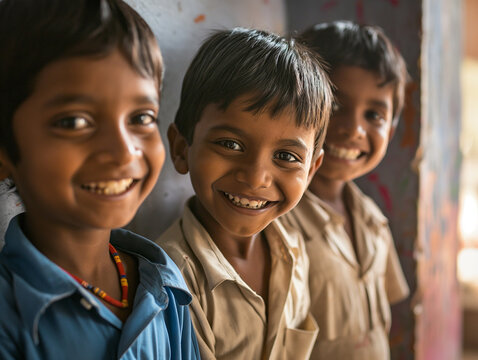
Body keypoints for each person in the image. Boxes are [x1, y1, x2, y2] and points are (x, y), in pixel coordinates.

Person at [0, 1, 200, 359]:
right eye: (75, 122)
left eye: (141, 116)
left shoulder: (165, 285)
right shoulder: (8, 316)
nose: (124, 152)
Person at [156, 28, 333, 360]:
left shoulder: (293, 252)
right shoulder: (173, 284)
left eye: (286, 156)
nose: (255, 177)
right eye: (230, 144)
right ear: (182, 148)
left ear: (310, 171)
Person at [281, 20, 410, 359]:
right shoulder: (277, 221)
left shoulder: (371, 219)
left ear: (393, 125)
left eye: (374, 115)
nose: (354, 129)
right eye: (336, 104)